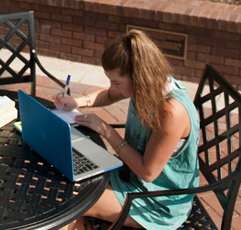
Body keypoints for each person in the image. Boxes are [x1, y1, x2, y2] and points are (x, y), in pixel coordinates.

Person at [55, 30, 199, 230]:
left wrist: (107, 131)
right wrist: (75, 102)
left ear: (139, 76)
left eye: (117, 82)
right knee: (65, 183)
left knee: (68, 204)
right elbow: (111, 94)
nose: (113, 87)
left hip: (156, 200)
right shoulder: (148, 86)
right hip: (128, 175)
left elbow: (148, 173)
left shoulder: (171, 112)